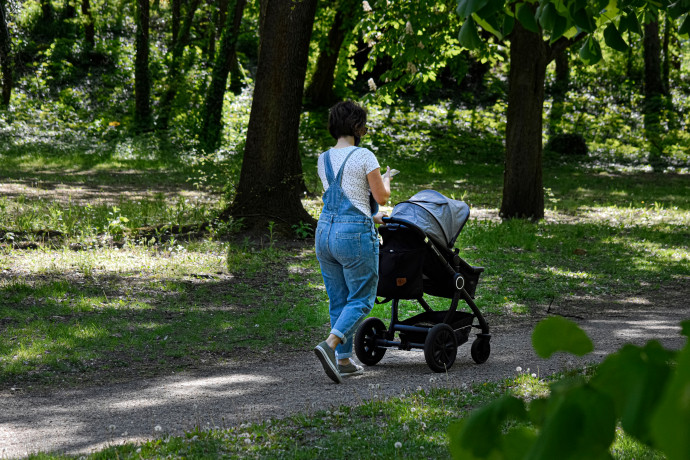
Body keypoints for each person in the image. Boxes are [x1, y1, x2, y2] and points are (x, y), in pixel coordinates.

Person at [313, 100, 393, 384]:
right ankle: (331, 345)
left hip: (324, 233)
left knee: (339, 299)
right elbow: (381, 197)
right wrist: (386, 180)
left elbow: (349, 196)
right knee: (360, 298)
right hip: (353, 236)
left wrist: (373, 215)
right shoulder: (365, 156)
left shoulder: (323, 158)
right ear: (358, 127)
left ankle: (344, 361)